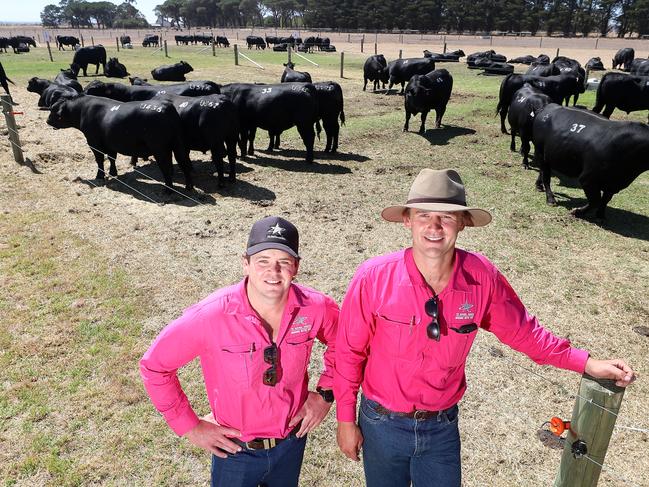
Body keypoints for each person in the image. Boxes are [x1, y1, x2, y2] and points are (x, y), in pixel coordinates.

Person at [333, 168, 635, 487]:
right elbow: (349, 351)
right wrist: (345, 420)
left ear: (462, 223)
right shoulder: (373, 277)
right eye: (424, 216)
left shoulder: (481, 277)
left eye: (447, 217)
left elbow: (525, 333)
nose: (434, 227)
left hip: (441, 427)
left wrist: (586, 363)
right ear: (407, 220)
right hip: (380, 423)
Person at [140, 216, 338, 487]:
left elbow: (347, 347)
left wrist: (326, 395)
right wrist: (190, 426)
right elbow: (155, 366)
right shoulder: (211, 315)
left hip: (291, 444)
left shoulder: (316, 308)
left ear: (297, 267)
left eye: (284, 262)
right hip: (234, 451)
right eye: (263, 261)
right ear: (245, 264)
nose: (273, 271)